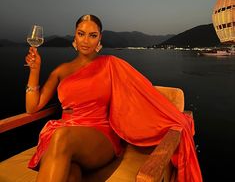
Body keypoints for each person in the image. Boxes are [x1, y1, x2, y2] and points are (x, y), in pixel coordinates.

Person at [25, 14, 202, 182]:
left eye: (92, 35)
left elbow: (143, 93)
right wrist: (35, 70)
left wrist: (174, 117)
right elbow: (33, 107)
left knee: (61, 137)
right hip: (63, 132)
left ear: (99, 39)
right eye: (81, 34)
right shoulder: (61, 70)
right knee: (70, 175)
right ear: (75, 36)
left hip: (99, 135)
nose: (86, 40)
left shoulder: (111, 64)